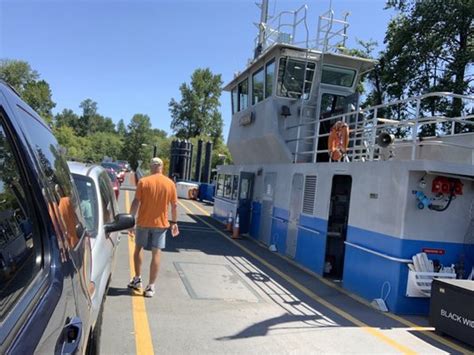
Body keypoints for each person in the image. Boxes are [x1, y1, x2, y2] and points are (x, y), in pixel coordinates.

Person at [128, 157, 179, 297]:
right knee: (156, 253)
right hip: (161, 224)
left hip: (143, 222)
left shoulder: (144, 182)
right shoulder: (170, 184)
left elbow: (136, 202)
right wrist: (174, 223)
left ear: (151, 167)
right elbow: (174, 206)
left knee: (139, 248)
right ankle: (151, 287)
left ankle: (137, 279)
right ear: (162, 167)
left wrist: (130, 220)